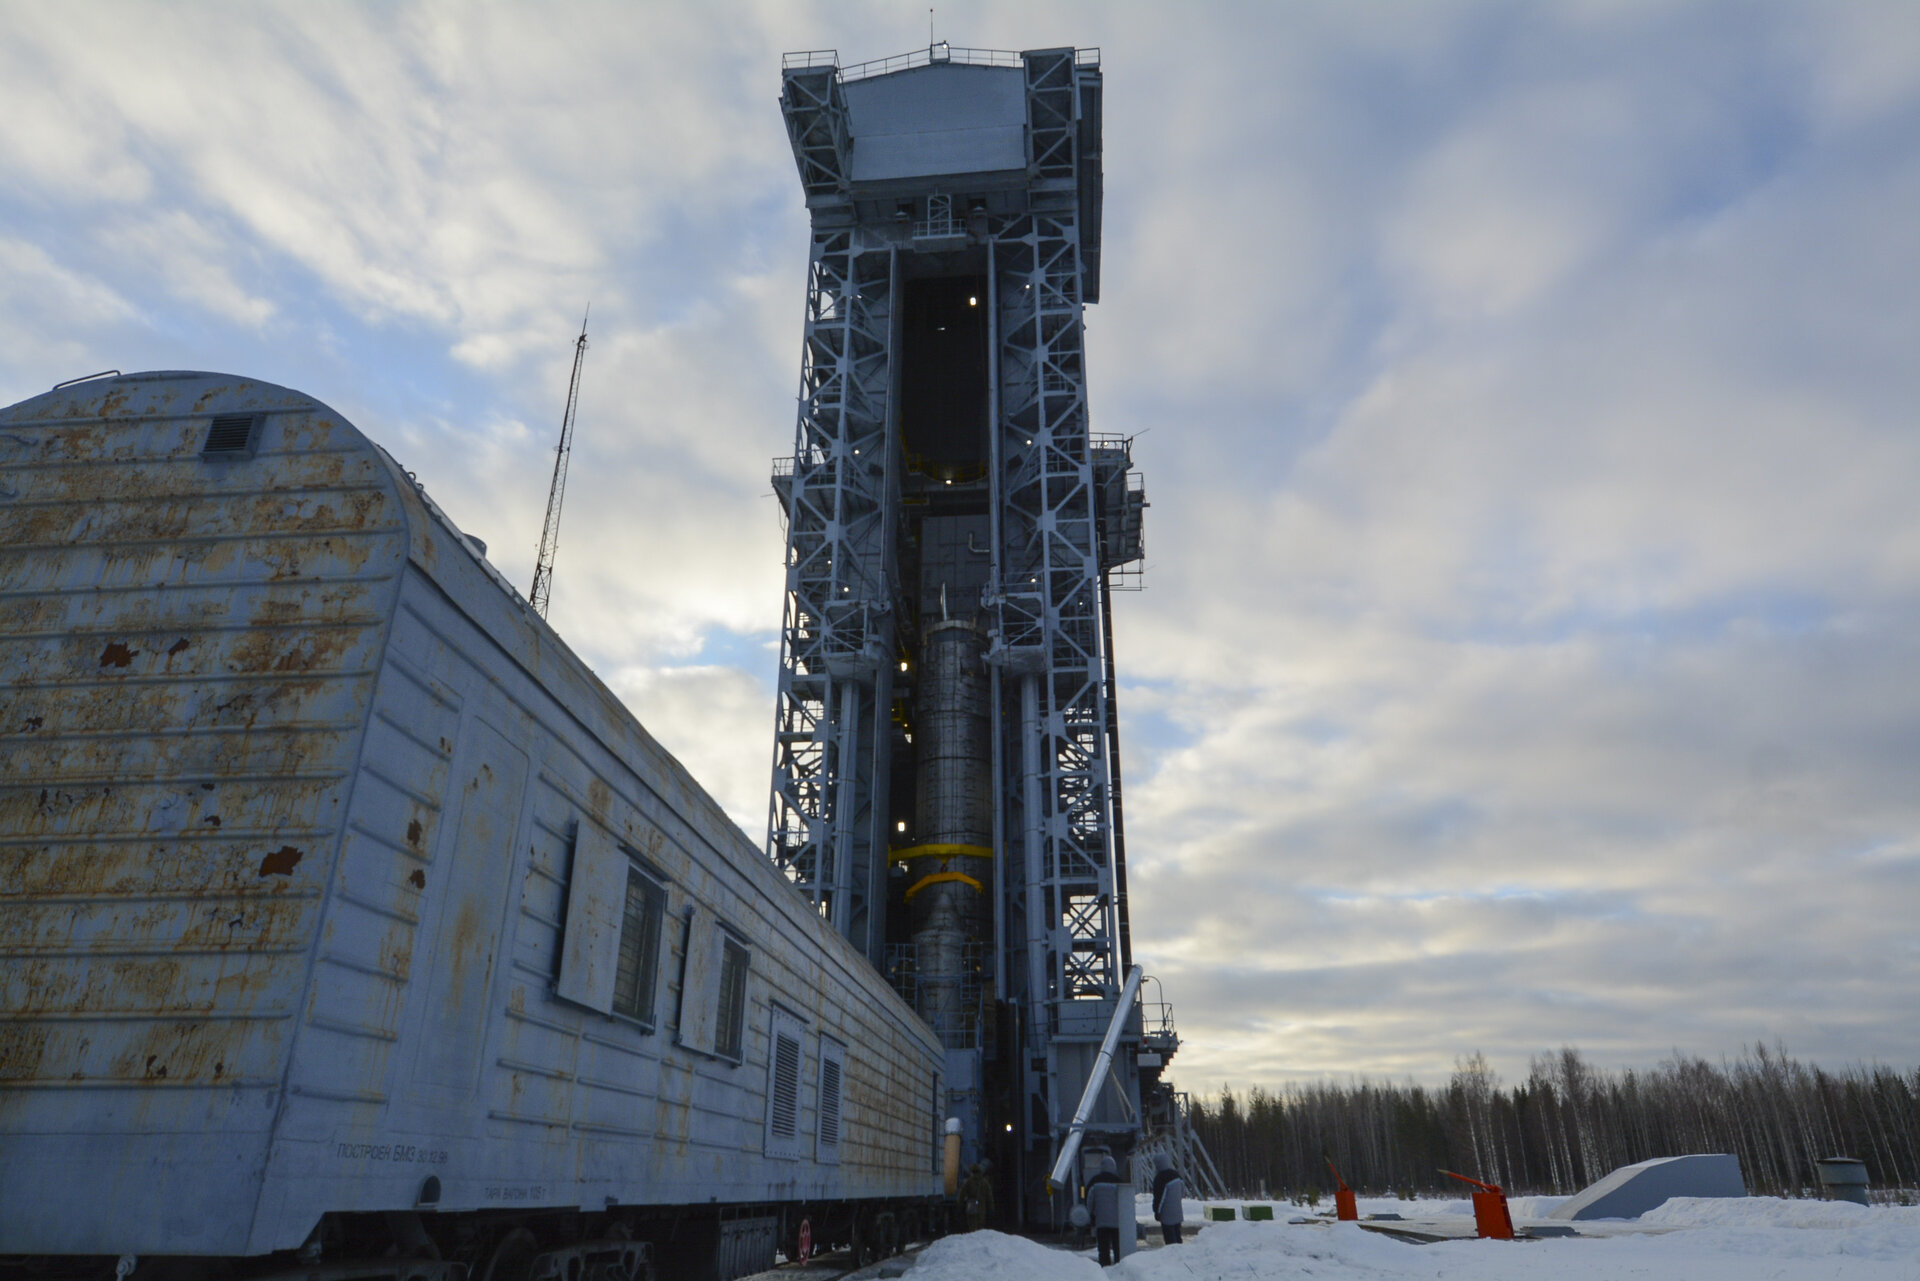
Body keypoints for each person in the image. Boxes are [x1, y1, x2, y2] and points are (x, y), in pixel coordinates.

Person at [1086, 1154, 1123, 1265]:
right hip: (1117, 1221)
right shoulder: (1119, 1181)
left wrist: (1091, 1214)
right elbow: (1123, 1201)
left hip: (1101, 1220)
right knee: (1117, 1247)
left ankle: (1104, 1266)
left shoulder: (1094, 1181)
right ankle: (1119, 1266)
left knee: (1103, 1248)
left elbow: (1089, 1200)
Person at [1151, 1153, 1186, 1245]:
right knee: (1178, 1237)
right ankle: (1181, 1255)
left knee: (1170, 1241)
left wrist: (1157, 1212)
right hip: (1178, 1213)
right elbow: (1182, 1192)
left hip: (1167, 1215)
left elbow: (1159, 1198)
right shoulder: (1177, 1176)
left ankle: (1173, 1257)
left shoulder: (1160, 1178)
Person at [960, 1160, 994, 1231]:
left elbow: (962, 1194)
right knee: (980, 1222)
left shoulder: (968, 1181)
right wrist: (991, 1207)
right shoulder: (985, 1182)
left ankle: (973, 1235)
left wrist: (960, 1205)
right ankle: (978, 1236)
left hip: (971, 1203)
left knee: (971, 1221)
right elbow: (989, 1196)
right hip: (982, 1204)